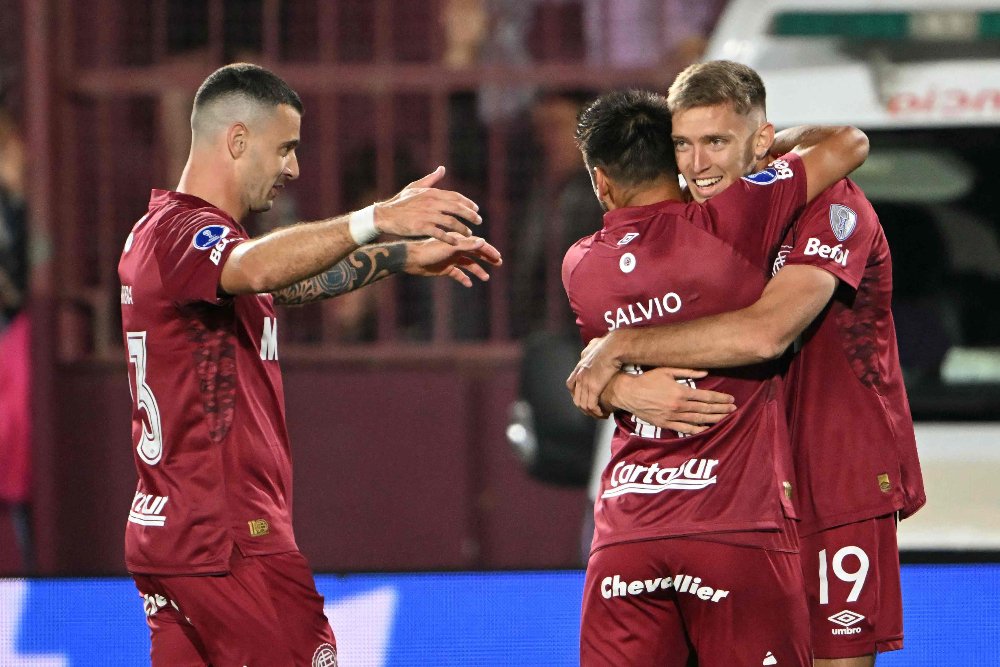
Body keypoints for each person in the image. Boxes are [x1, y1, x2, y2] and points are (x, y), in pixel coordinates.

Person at [118, 63, 501, 666]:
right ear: (237, 140)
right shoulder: (187, 235)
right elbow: (259, 269)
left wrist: (396, 256)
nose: (294, 168)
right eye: (286, 147)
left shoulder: (166, 238)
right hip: (228, 535)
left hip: (173, 536)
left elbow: (282, 283)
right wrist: (372, 219)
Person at [568, 61, 926, 666]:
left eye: (716, 142)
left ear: (761, 139)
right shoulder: (693, 227)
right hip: (737, 489)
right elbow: (618, 343)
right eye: (682, 144)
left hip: (830, 474)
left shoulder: (831, 203)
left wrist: (621, 349)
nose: (697, 164)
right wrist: (620, 388)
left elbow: (767, 332)